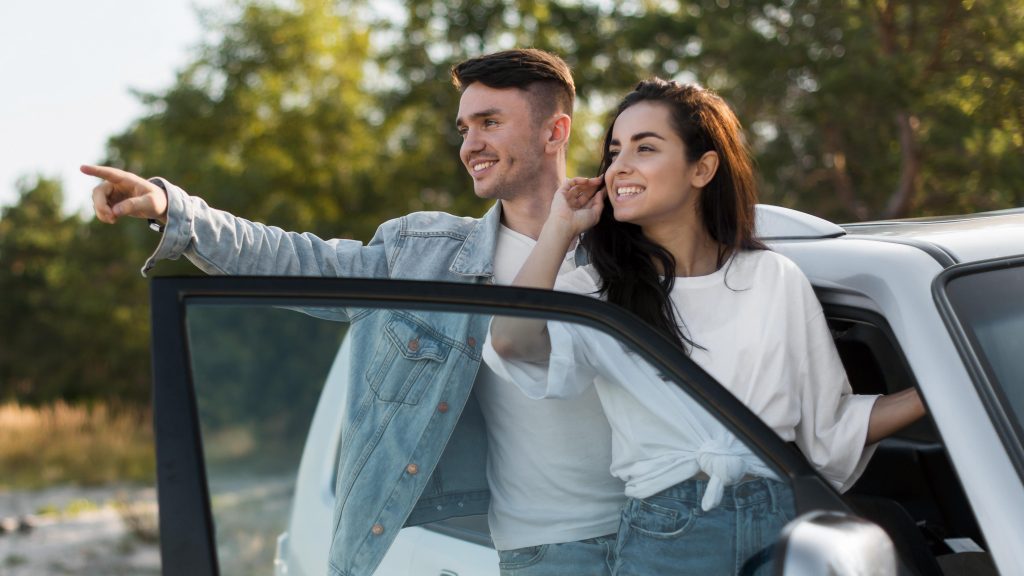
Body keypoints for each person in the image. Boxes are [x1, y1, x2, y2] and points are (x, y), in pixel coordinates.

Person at [83, 49, 626, 576]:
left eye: (490, 122)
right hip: (541, 548)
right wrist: (175, 212)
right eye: (464, 129)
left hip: (653, 530)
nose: (470, 145)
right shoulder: (426, 256)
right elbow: (299, 260)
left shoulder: (633, 249)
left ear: (555, 132)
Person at [485, 78, 927, 575]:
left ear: (703, 168)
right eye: (614, 152)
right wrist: (560, 227)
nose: (619, 167)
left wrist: (942, 389)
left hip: (781, 519)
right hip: (670, 533)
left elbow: (832, 427)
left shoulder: (772, 277)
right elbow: (511, 342)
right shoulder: (598, 293)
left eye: (645, 147)